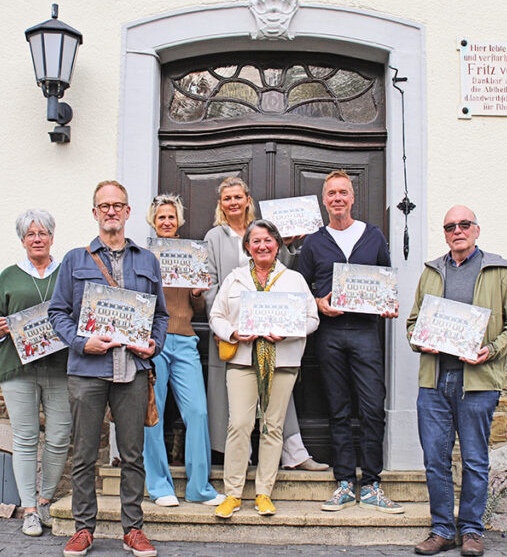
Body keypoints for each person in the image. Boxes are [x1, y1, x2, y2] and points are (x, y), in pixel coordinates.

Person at [49, 181, 169, 557]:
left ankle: (133, 529)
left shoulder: (147, 260)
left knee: (132, 454)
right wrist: (82, 342)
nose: (111, 211)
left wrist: (154, 344)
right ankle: (84, 528)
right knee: (84, 454)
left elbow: (160, 316)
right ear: (95, 213)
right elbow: (57, 313)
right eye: (104, 206)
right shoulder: (75, 259)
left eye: (118, 205)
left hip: (131, 370)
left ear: (128, 212)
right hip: (87, 369)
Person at [406, 206, 507, 557]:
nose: (457, 230)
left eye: (464, 225)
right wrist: (420, 339)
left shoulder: (498, 271)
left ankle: (472, 531)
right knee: (435, 459)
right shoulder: (432, 271)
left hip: (476, 381)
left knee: (475, 459)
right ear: (445, 234)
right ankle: (443, 530)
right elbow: (413, 324)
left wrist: (491, 350)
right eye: (450, 227)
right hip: (435, 380)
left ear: (476, 230)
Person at [203, 176, 327, 471]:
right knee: (234, 401)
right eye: (227, 198)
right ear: (221, 204)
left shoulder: (266, 230)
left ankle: (294, 453)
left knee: (278, 394)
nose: (233, 202)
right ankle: (239, 457)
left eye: (238, 197)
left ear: (248, 199)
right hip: (234, 332)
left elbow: (282, 271)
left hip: (272, 328)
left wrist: (290, 245)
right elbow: (210, 285)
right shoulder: (214, 236)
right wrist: (225, 330)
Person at [297, 171, 403, 513]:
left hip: (366, 333)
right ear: (324, 200)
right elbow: (304, 289)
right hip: (328, 334)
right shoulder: (314, 242)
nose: (338, 198)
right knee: (338, 408)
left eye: (343, 192)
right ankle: (344, 481)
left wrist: (389, 303)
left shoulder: (373, 236)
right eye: (332, 194)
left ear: (353, 197)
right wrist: (317, 302)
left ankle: (371, 483)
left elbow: (386, 279)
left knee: (373, 406)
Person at [208, 219, 320, 519]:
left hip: (282, 362)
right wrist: (232, 333)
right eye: (256, 241)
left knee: (273, 427)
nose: (262, 246)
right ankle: (232, 493)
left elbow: (313, 319)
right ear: (248, 247)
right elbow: (216, 316)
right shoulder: (234, 279)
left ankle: (263, 493)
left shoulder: (294, 279)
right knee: (239, 425)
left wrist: (289, 331)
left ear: (278, 244)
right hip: (243, 360)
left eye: (268, 240)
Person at [0, 209, 71, 537]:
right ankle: (30, 509)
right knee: (25, 437)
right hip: (18, 368)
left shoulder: (66, 272)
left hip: (60, 366)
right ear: (22, 240)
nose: (37, 238)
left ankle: (46, 498)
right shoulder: (9, 275)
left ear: (51, 237)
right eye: (31, 234)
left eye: (43, 233)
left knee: (60, 435)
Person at [142, 194, 224, 508]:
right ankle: (159, 485)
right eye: (161, 217)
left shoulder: (192, 253)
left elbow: (195, 306)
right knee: (154, 414)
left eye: (171, 217)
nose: (166, 222)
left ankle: (199, 487)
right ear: (153, 220)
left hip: (186, 338)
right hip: (154, 341)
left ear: (179, 221)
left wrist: (196, 293)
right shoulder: (144, 254)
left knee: (198, 412)